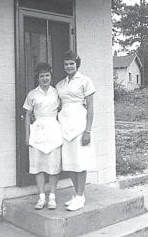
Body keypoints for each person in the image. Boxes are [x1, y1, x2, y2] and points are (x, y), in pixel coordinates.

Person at [56, 50, 96, 211]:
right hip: (64, 126)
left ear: (77, 64)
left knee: (80, 161)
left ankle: (80, 196)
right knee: (69, 162)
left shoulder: (85, 81)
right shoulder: (60, 84)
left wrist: (88, 131)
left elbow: (91, 108)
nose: (69, 66)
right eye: (66, 64)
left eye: (71, 63)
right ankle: (78, 194)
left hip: (79, 124)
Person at [23, 62, 63, 210]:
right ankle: (41, 197)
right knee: (38, 166)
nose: (45, 78)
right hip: (37, 131)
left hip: (53, 129)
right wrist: (27, 136)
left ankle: (52, 197)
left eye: (47, 75)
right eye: (42, 76)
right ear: (37, 78)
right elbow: (27, 116)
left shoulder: (56, 92)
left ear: (51, 76)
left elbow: (63, 111)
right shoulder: (32, 94)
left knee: (53, 166)